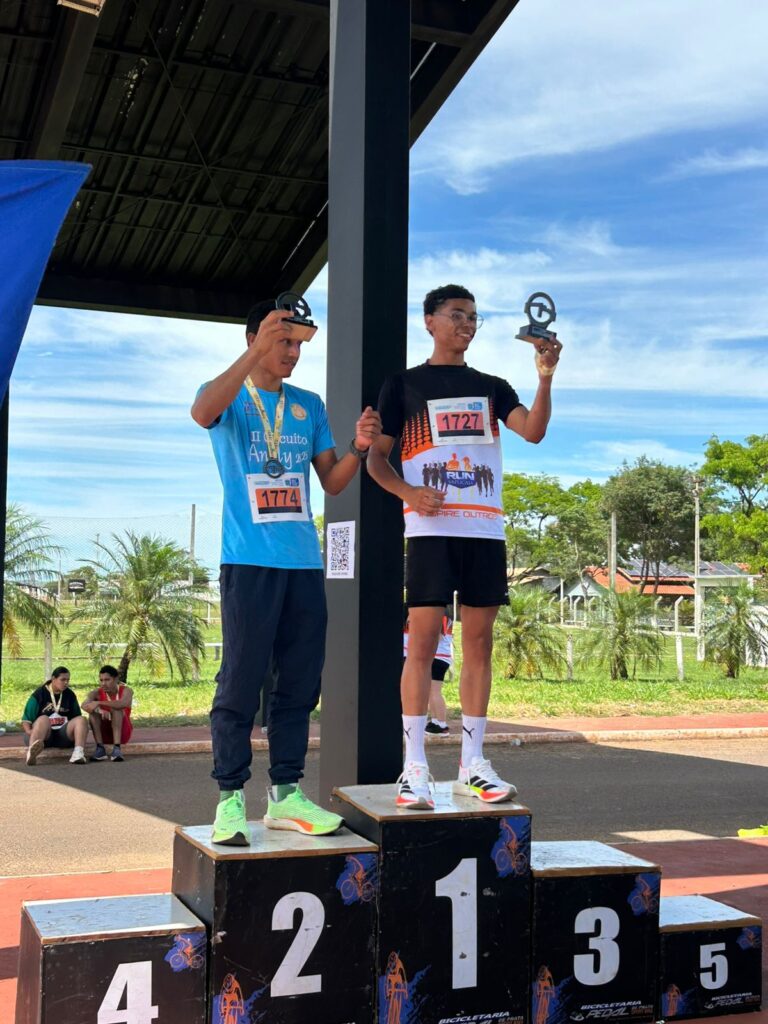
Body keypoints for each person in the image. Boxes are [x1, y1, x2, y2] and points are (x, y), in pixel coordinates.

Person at [191, 299, 382, 844]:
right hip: (248, 561)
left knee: (299, 685)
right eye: (284, 341)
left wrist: (359, 447)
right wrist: (253, 349)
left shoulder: (308, 404)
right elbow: (202, 413)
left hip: (302, 562)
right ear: (257, 338)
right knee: (240, 682)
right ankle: (230, 798)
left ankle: (286, 795)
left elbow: (335, 481)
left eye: (300, 344)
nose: (294, 353)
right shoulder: (227, 394)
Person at [368, 283, 560, 808]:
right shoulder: (402, 386)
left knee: (478, 644)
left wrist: (545, 377)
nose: (467, 325)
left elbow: (534, 431)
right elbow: (375, 461)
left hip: (483, 531)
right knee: (423, 644)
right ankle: (413, 767)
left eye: (474, 318)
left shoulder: (493, 386)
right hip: (429, 532)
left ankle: (473, 763)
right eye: (457, 316)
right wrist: (408, 492)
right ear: (429, 321)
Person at [21, 666, 88, 765]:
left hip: (63, 735)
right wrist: (30, 732)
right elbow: (26, 720)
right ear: (53, 679)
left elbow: (76, 717)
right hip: (43, 737)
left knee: (82, 719)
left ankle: (78, 754)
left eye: (68, 680)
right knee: (43, 719)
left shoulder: (70, 695)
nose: (66, 683)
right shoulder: (39, 694)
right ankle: (32, 754)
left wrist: (79, 733)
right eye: (63, 680)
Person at [403, 606, 453, 735]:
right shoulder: (444, 613)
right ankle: (436, 722)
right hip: (440, 656)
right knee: (431, 691)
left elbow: (437, 636)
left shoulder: (440, 614)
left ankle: (442, 724)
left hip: (438, 656)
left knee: (434, 691)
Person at [81, 665, 133, 762]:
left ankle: (117, 749)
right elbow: (84, 705)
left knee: (117, 709)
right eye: (101, 680)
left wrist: (99, 703)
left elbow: (123, 703)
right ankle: (100, 749)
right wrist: (98, 710)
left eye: (107, 680)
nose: (103, 683)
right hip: (104, 734)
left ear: (116, 679)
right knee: (93, 713)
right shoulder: (96, 692)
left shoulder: (126, 690)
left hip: (122, 733)